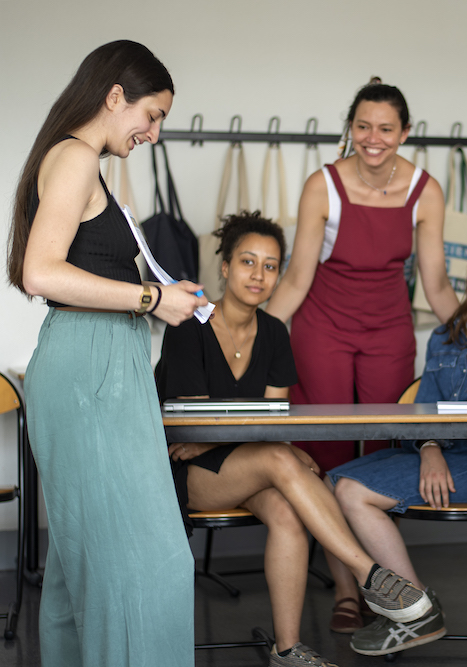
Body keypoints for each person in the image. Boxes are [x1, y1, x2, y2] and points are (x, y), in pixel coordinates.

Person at [6, 41, 207, 666]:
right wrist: (150, 298)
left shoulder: (84, 163)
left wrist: (159, 295)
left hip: (96, 364)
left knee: (83, 565)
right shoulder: (73, 157)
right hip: (86, 369)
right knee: (152, 564)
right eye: (152, 115)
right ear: (115, 96)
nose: (153, 132)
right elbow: (40, 274)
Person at [155, 212, 432, 667]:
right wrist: (253, 442)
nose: (258, 275)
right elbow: (194, 426)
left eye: (270, 265)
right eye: (247, 262)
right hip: (184, 470)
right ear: (224, 267)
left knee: (287, 508)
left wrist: (242, 439)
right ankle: (372, 576)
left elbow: (273, 422)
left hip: (243, 464)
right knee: (285, 461)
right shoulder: (189, 325)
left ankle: (287, 649)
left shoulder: (275, 333)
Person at [265, 79, 457, 628]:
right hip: (321, 325)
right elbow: (297, 280)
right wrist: (249, 339)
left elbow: (438, 285)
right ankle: (348, 587)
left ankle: (385, 584)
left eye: (386, 129)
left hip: (389, 328)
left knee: (378, 452)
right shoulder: (322, 184)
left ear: (406, 134)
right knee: (324, 452)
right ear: (351, 127)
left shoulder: (426, 190)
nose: (373, 139)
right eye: (363, 126)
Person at [328, 229, 467, 657]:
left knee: (351, 492)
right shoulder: (444, 334)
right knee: (328, 484)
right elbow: (424, 411)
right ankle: (411, 608)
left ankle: (413, 608)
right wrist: (429, 447)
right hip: (438, 455)